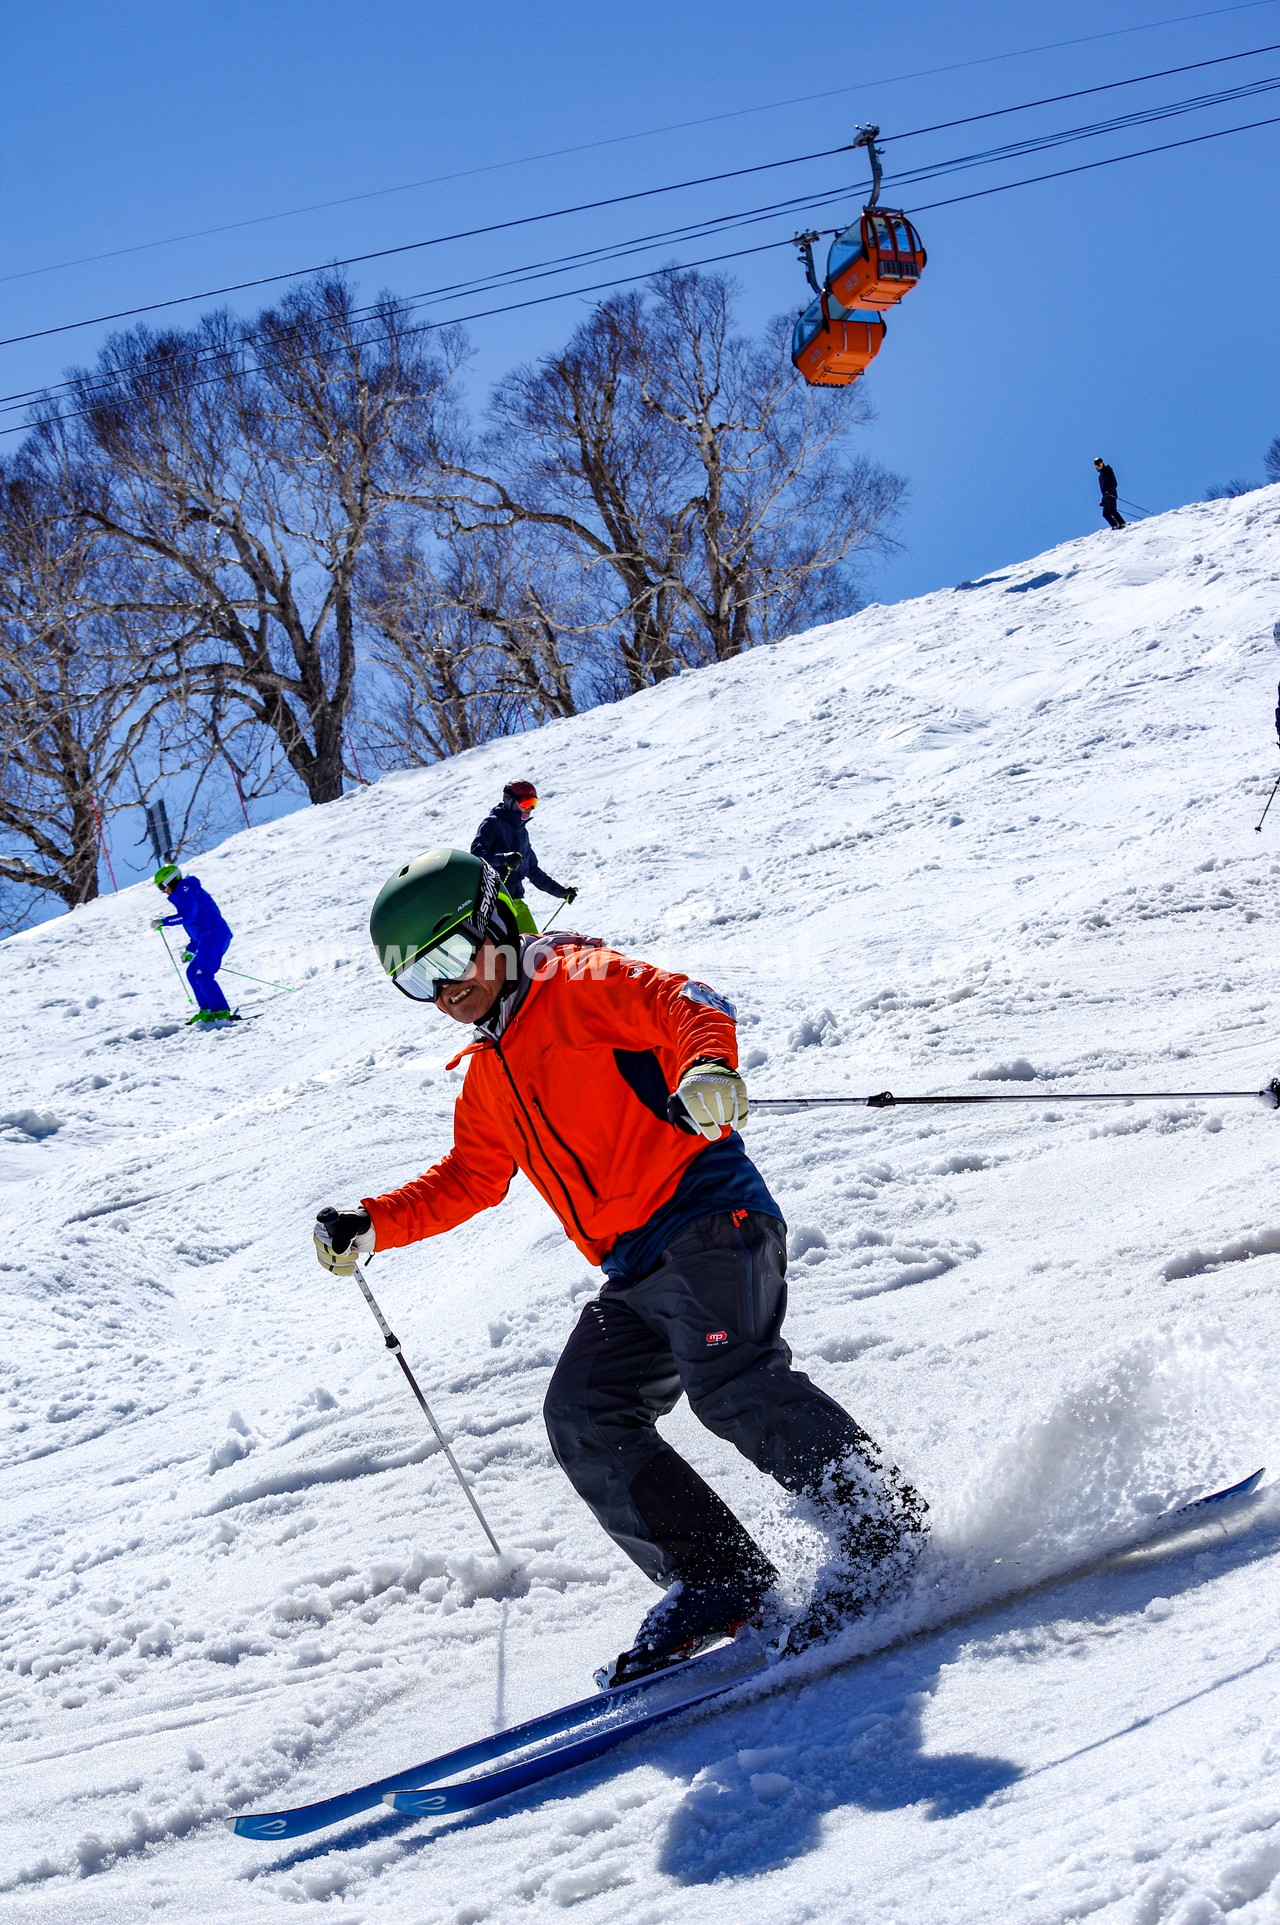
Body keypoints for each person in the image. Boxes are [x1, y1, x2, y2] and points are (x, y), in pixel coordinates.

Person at [313, 849, 927, 1686]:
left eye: (452, 958)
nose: (448, 991)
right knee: (583, 1411)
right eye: (421, 981)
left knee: (729, 1381)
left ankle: (879, 1523)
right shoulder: (489, 1073)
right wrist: (373, 1221)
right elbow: (472, 1177)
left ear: (498, 922)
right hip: (635, 1266)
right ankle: (721, 1577)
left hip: (709, 1214)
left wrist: (706, 1065)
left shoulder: (576, 980)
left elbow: (687, 1002)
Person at [470, 780, 576, 934]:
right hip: (492, 904)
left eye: (533, 803)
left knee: (532, 945)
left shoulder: (522, 832)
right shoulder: (493, 824)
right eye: (525, 803)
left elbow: (532, 870)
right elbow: (476, 853)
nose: (530, 809)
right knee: (510, 952)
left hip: (516, 902)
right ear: (510, 801)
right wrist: (503, 858)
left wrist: (560, 892)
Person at [151, 863, 234, 1025]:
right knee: (193, 972)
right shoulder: (182, 895)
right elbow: (197, 928)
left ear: (170, 880)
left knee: (202, 975)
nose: (163, 891)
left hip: (215, 935)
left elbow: (188, 916)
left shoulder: (186, 890)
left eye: (162, 886)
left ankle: (220, 1011)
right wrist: (190, 949)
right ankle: (207, 1009)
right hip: (207, 937)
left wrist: (164, 921)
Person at [1094, 457, 1126, 530]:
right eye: (1097, 465)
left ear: (1103, 463)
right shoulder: (1100, 476)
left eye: (1100, 464)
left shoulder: (1108, 471)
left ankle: (1122, 523)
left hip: (1111, 495)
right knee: (1105, 514)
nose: (1099, 466)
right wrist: (1103, 500)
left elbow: (1114, 483)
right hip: (1106, 497)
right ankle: (1115, 525)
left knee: (1112, 511)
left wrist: (1110, 491)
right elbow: (1103, 490)